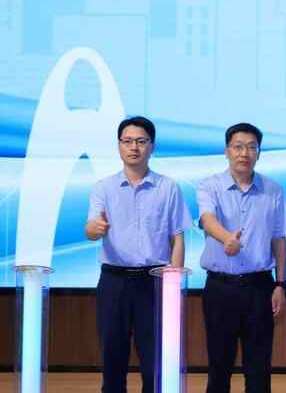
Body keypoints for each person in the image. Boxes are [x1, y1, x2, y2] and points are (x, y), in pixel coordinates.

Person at [84, 116, 192, 393]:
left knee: (155, 358)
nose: (134, 147)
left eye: (141, 141)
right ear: (119, 146)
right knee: (113, 355)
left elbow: (177, 238)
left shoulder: (168, 187)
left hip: (154, 281)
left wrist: (174, 284)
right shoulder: (104, 187)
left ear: (152, 146)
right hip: (114, 281)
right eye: (128, 141)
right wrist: (96, 228)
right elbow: (91, 229)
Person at [197, 122, 286, 393]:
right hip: (220, 287)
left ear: (259, 153)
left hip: (259, 288)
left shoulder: (273, 190)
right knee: (219, 365)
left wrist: (280, 284)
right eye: (238, 147)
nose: (244, 153)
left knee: (258, 367)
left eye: (252, 147)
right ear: (227, 151)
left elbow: (278, 239)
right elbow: (207, 219)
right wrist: (227, 238)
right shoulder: (209, 186)